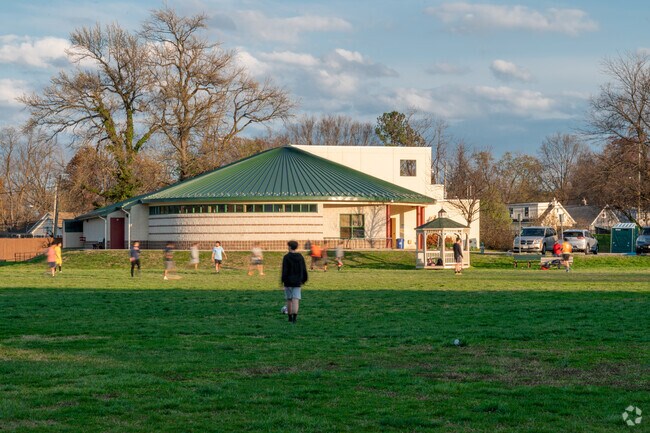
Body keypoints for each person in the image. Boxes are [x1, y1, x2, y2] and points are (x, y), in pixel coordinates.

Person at [281, 240, 308, 324]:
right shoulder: (300, 257)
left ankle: (289, 318)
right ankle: (294, 319)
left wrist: (283, 281)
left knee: (289, 300)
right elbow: (303, 269)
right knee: (296, 300)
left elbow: (284, 270)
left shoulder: (286, 257)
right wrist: (304, 279)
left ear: (289, 247)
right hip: (297, 281)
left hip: (288, 281)